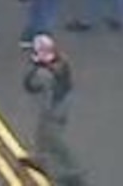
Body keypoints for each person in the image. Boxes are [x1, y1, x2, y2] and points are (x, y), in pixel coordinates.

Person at [22, 36, 81, 186]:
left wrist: (35, 65)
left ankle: (72, 171)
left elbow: (30, 85)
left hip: (54, 110)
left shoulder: (44, 73)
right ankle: (40, 158)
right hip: (62, 102)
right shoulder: (62, 61)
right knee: (41, 134)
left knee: (54, 140)